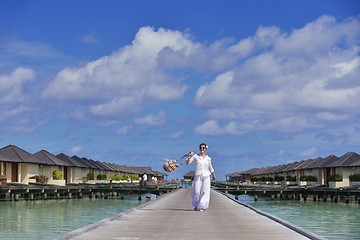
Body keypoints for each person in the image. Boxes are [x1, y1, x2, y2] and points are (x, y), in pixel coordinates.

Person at [186, 143, 216, 211]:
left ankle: (202, 206)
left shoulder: (208, 158)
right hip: (198, 176)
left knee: (205, 191)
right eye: (201, 148)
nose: (202, 149)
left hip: (206, 176)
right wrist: (188, 156)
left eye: (203, 148)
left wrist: (213, 175)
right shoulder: (195, 156)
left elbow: (210, 167)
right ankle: (196, 205)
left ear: (205, 149)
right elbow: (188, 163)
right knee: (196, 191)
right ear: (199, 148)